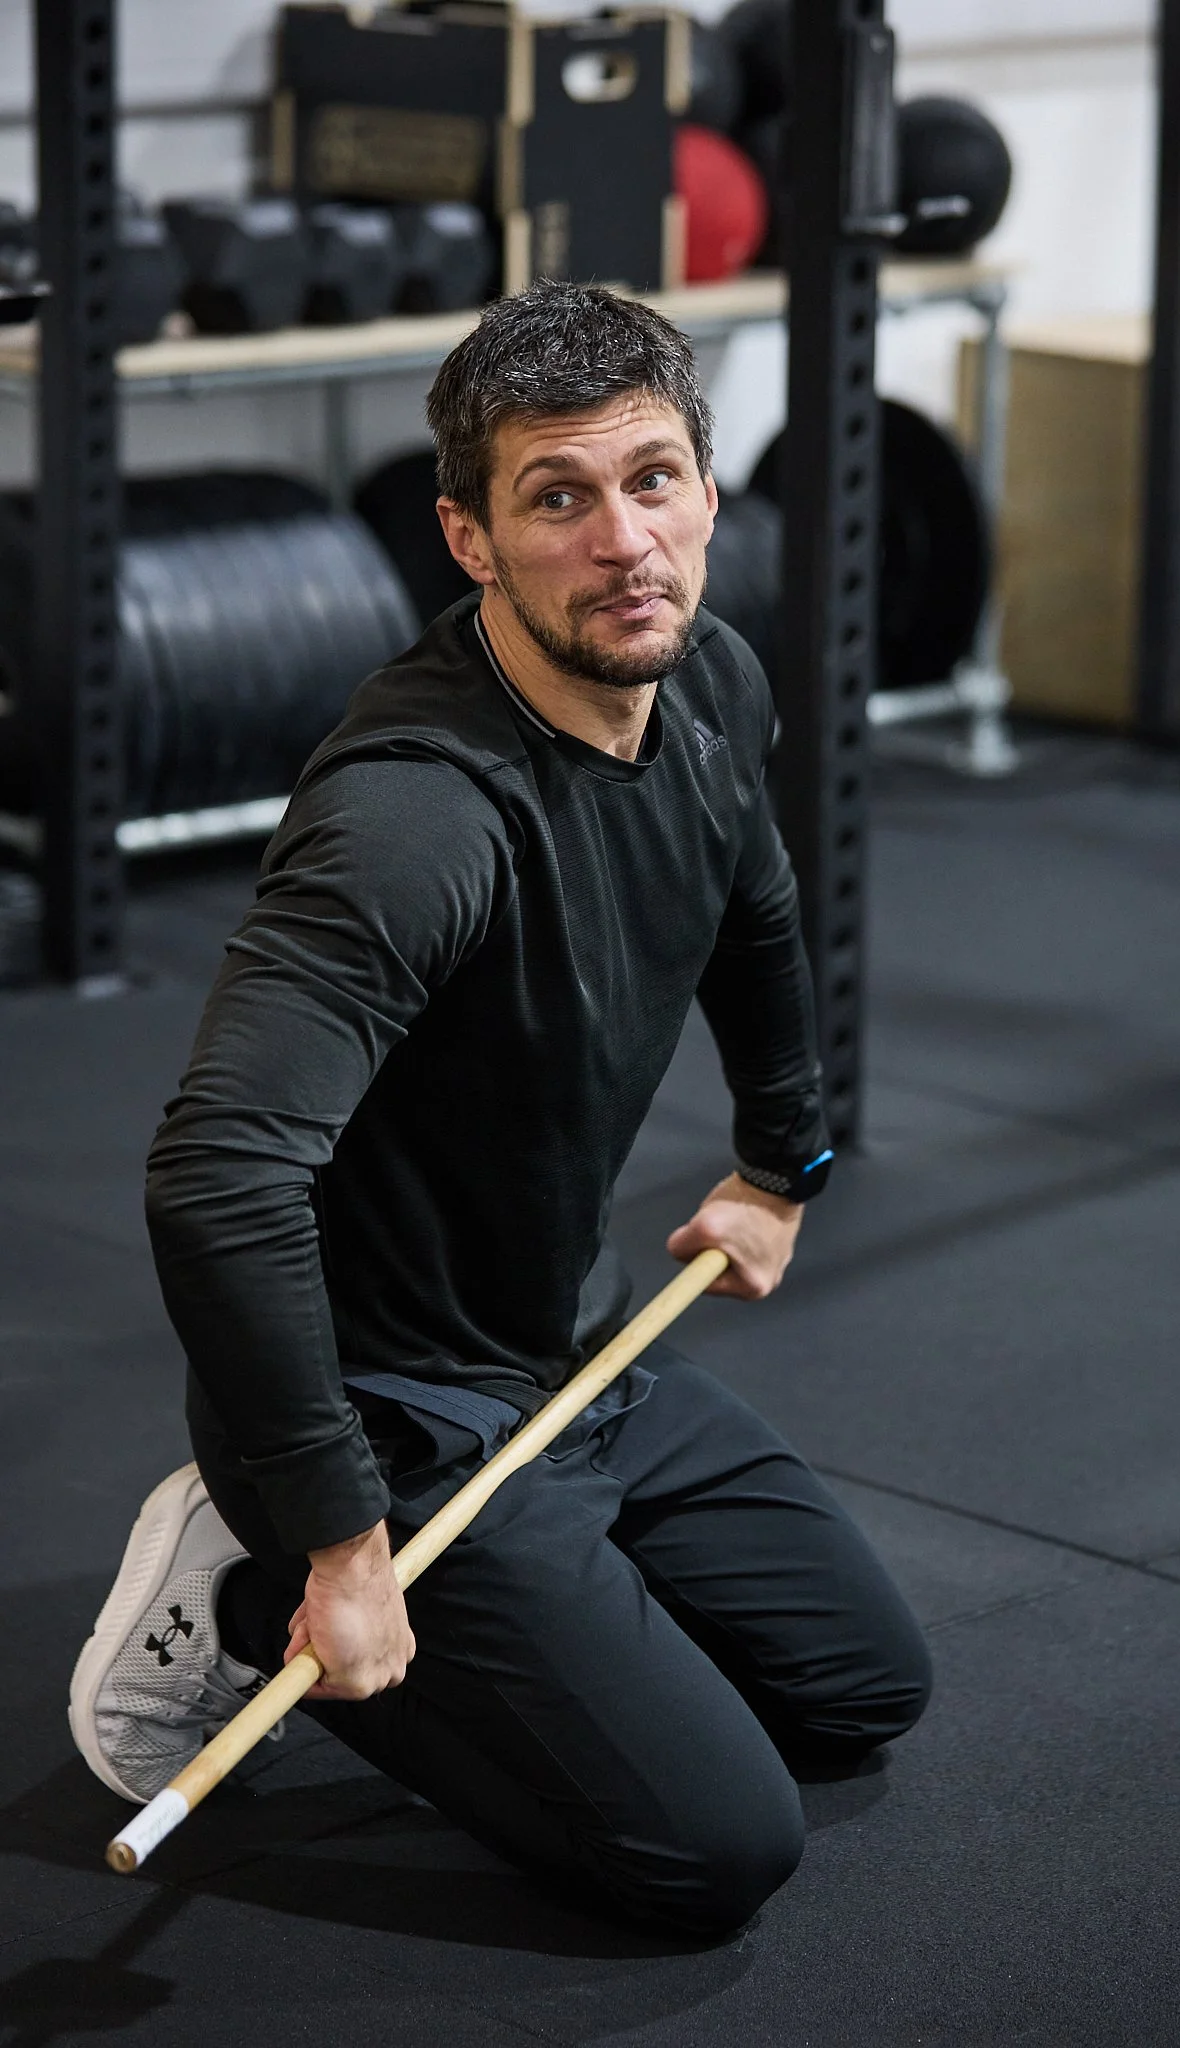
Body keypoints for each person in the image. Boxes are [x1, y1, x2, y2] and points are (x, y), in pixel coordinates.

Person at [69, 281, 931, 1938]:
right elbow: (217, 1176)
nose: (627, 544)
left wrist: (780, 1158)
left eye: (655, 479)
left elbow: (755, 905)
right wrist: (330, 1532)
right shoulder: (416, 822)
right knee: (711, 1859)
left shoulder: (705, 684)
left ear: (706, 488)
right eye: (560, 498)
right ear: (470, 539)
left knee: (857, 1690)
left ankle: (498, 1584)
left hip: (574, 1352)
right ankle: (244, 1585)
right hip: (390, 1411)